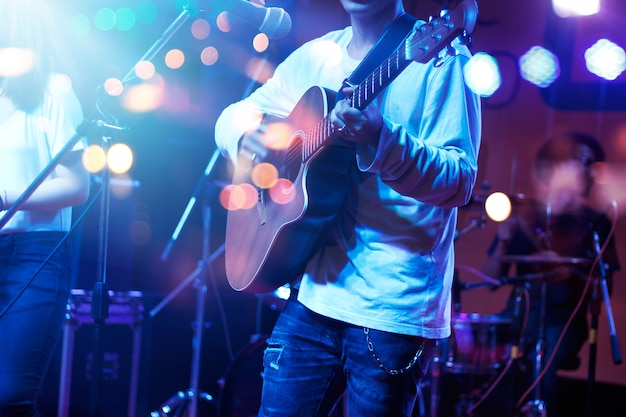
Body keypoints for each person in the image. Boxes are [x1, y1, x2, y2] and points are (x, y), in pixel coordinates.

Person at [214, 0, 481, 415]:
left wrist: (381, 137)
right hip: (313, 296)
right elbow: (234, 115)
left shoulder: (441, 59)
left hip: (389, 308)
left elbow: (460, 181)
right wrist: (248, 134)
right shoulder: (317, 55)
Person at [482, 131, 620, 416]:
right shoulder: (524, 214)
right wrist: (504, 240)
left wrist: (570, 273)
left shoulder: (596, 223)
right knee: (479, 352)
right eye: (577, 160)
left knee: (541, 364)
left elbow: (605, 290)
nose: (583, 169)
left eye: (589, 163)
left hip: (564, 320)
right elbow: (492, 278)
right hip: (518, 314)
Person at [0, 1, 90, 416]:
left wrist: (7, 196)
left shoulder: (53, 90)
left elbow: (77, 186)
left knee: (10, 395)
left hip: (34, 252)